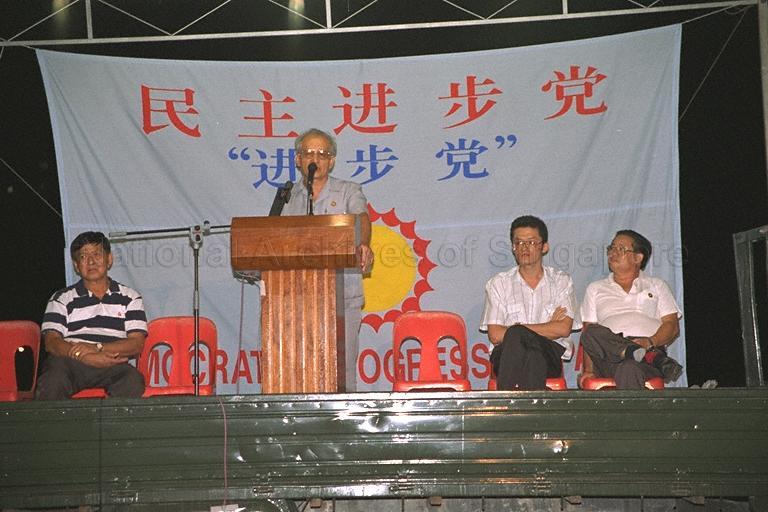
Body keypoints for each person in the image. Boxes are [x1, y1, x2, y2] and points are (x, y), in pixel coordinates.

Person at [281, 128, 373, 392]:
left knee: (342, 371)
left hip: (342, 296)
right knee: (299, 368)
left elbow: (361, 219)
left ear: (331, 161)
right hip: (298, 299)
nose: (316, 158)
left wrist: (363, 243)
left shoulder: (348, 190)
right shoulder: (286, 196)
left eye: (323, 154)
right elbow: (274, 237)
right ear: (298, 159)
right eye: (309, 152)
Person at [35, 231, 147, 399]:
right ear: (76, 266)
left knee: (132, 380)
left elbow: (136, 344)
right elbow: (51, 342)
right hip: (72, 362)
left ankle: (111, 426)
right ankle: (55, 426)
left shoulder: (130, 297)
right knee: (53, 378)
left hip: (112, 360)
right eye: (83, 257)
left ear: (109, 259)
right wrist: (85, 356)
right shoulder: (61, 298)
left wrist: (96, 348)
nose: (91, 261)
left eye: (97, 254)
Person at [480, 215, 578, 390]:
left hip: (550, 353)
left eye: (531, 242)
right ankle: (533, 415)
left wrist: (517, 329)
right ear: (513, 248)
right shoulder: (499, 283)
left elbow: (563, 328)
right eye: (518, 243)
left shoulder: (561, 281)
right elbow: (495, 334)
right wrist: (547, 326)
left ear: (544, 247)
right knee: (532, 356)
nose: (524, 248)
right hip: (505, 356)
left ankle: (508, 404)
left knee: (527, 345)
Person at [579, 229, 683, 389]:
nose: (613, 253)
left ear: (637, 258)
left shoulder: (657, 285)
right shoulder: (596, 288)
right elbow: (588, 336)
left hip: (648, 352)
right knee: (591, 331)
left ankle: (640, 354)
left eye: (620, 249)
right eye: (611, 248)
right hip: (609, 357)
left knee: (629, 368)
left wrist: (649, 342)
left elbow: (672, 326)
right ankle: (635, 352)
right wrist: (588, 370)